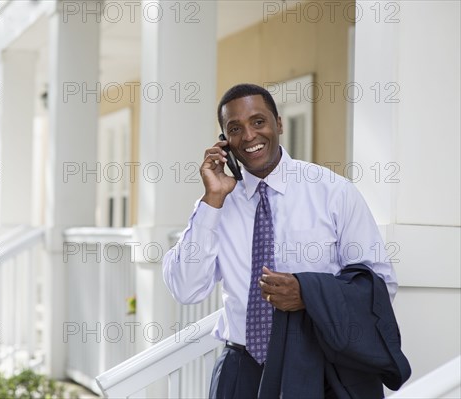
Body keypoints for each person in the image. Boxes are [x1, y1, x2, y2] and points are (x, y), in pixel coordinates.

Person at [162, 83, 399, 398]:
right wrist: (212, 199)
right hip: (241, 370)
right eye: (235, 128)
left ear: (279, 123)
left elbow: (380, 285)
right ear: (224, 142)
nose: (248, 136)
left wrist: (309, 294)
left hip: (320, 368)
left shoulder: (333, 192)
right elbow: (186, 289)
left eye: (258, 122)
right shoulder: (216, 206)